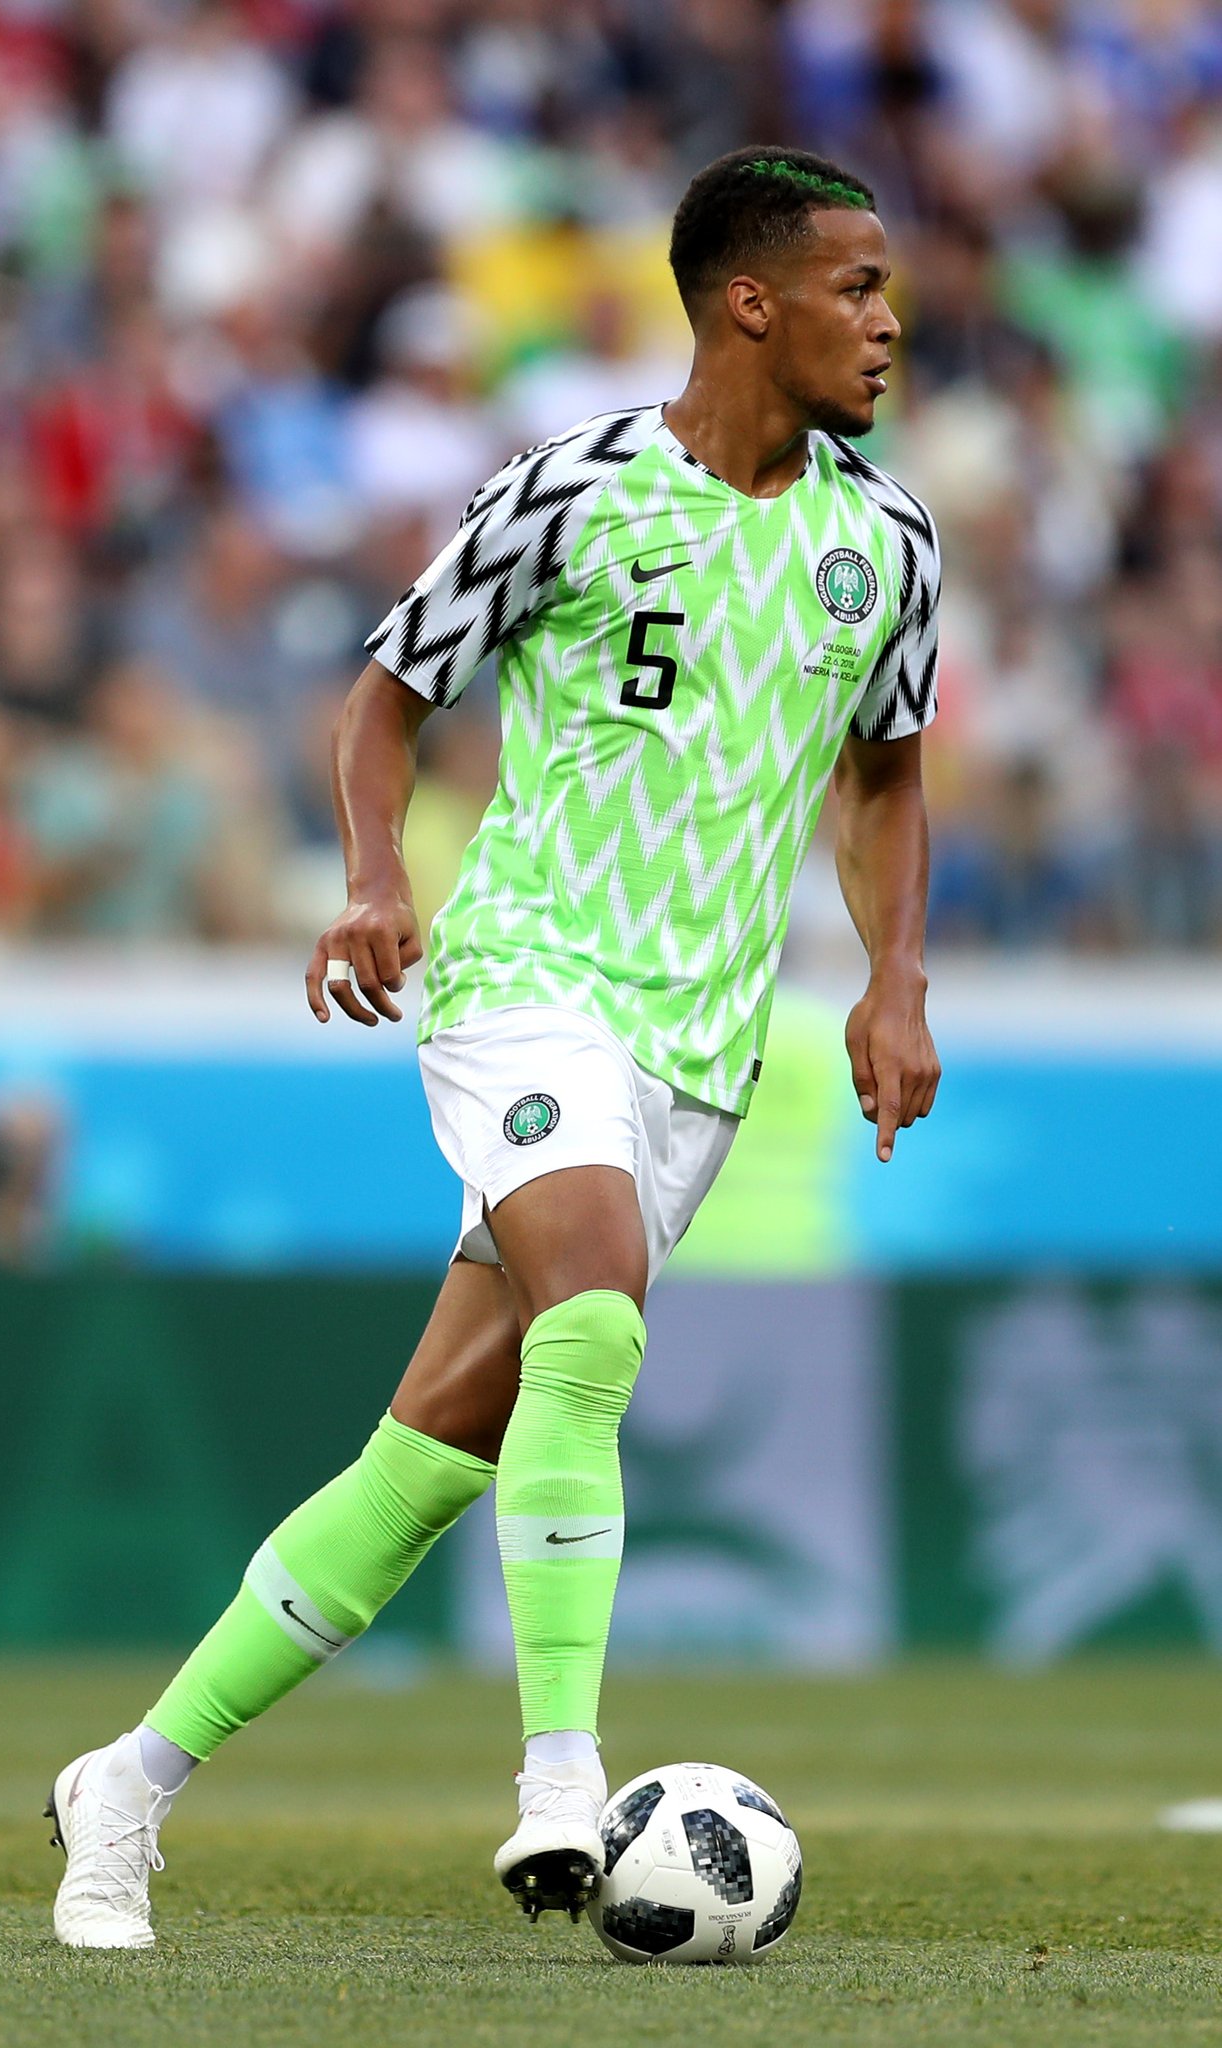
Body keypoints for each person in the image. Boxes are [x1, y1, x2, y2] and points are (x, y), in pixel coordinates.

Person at [46, 143, 942, 1949]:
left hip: (697, 1045)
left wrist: (894, 975)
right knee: (591, 1319)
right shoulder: (568, 491)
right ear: (746, 302)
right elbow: (384, 699)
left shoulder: (886, 544)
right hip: (527, 976)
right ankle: (557, 1782)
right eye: (854, 288)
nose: (887, 322)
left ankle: (124, 1786)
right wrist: (377, 879)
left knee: (430, 1460)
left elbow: (882, 776)